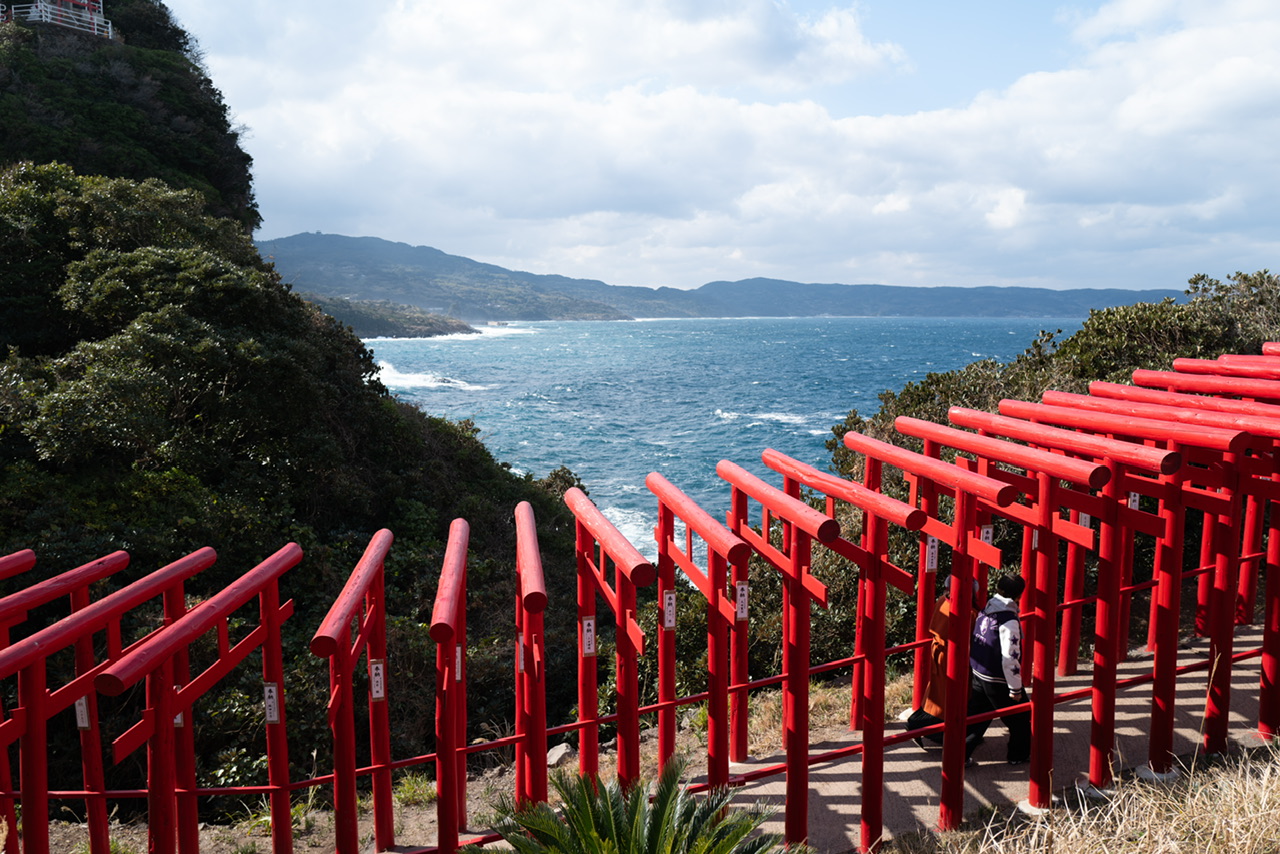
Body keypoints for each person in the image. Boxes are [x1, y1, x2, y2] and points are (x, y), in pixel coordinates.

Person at [965, 573, 1031, 765]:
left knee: (977, 718)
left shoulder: (987, 608)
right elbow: (1010, 657)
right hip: (997, 678)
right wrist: (1015, 689)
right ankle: (1018, 756)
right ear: (1019, 595)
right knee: (1020, 718)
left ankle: (958, 754)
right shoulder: (1008, 620)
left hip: (979, 671)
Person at [907, 575, 977, 748]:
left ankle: (920, 725)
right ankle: (925, 728)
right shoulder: (968, 612)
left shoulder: (942, 601)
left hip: (940, 654)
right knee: (951, 699)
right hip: (954, 658)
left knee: (937, 694)